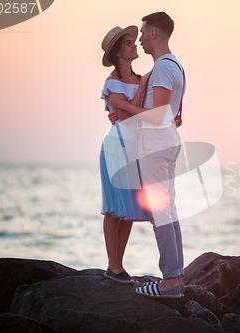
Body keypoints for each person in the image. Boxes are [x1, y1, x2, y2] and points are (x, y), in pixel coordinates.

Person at [106, 11, 185, 298]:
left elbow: (157, 115)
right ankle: (175, 278)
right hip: (166, 143)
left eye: (142, 33)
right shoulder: (174, 65)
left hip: (156, 146)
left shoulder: (163, 67)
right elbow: (172, 112)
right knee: (168, 210)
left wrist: (124, 108)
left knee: (160, 211)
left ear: (154, 33)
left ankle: (170, 282)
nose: (139, 38)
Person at [99, 25, 153, 284]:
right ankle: (113, 265)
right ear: (119, 52)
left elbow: (136, 113)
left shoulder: (141, 78)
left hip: (136, 149)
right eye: (129, 43)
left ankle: (119, 265)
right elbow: (121, 117)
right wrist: (124, 108)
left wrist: (135, 95)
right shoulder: (112, 82)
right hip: (116, 146)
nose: (135, 45)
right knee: (114, 208)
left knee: (129, 208)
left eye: (134, 41)